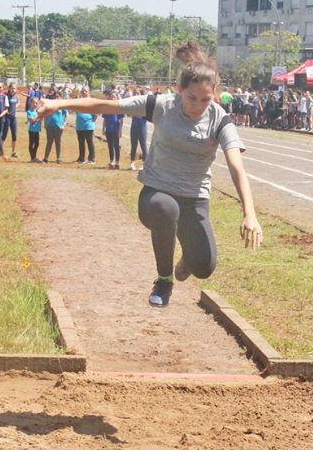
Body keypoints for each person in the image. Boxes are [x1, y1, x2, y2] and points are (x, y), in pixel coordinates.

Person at [37, 43, 262, 307]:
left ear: (214, 95)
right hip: (156, 195)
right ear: (180, 91)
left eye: (206, 99)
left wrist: (250, 213)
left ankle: (187, 260)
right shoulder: (160, 105)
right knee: (166, 208)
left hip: (194, 199)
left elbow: (236, 166)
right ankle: (164, 279)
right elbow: (106, 105)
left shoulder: (219, 119)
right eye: (192, 98)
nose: (198, 105)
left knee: (204, 266)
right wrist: (60, 103)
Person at [103, 104, 123, 169]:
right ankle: (111, 162)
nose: (113, 98)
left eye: (114, 97)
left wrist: (120, 130)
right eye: (111, 97)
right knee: (110, 146)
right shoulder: (106, 108)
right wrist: (103, 128)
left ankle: (117, 163)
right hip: (108, 130)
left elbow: (121, 121)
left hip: (116, 130)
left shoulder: (119, 108)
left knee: (116, 146)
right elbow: (104, 120)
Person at [128, 103, 148, 170]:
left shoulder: (145, 109)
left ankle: (145, 164)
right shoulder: (134, 109)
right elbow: (129, 114)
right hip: (134, 127)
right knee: (133, 145)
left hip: (142, 128)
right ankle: (132, 163)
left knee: (143, 145)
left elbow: (146, 116)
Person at [5, 81, 21, 158]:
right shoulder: (6, 96)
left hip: (13, 118)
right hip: (6, 117)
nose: (13, 90)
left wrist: (15, 107)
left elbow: (18, 103)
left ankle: (13, 152)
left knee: (14, 135)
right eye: (12, 88)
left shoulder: (16, 96)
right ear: (9, 89)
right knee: (4, 135)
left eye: (14, 88)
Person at [26, 96, 43, 162]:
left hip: (37, 130)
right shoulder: (29, 111)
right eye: (34, 103)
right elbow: (32, 120)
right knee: (31, 144)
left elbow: (41, 119)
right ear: (30, 103)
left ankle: (34, 157)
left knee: (37, 143)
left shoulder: (37, 111)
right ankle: (32, 157)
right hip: (32, 130)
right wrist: (38, 116)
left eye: (36, 103)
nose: (35, 104)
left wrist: (39, 117)